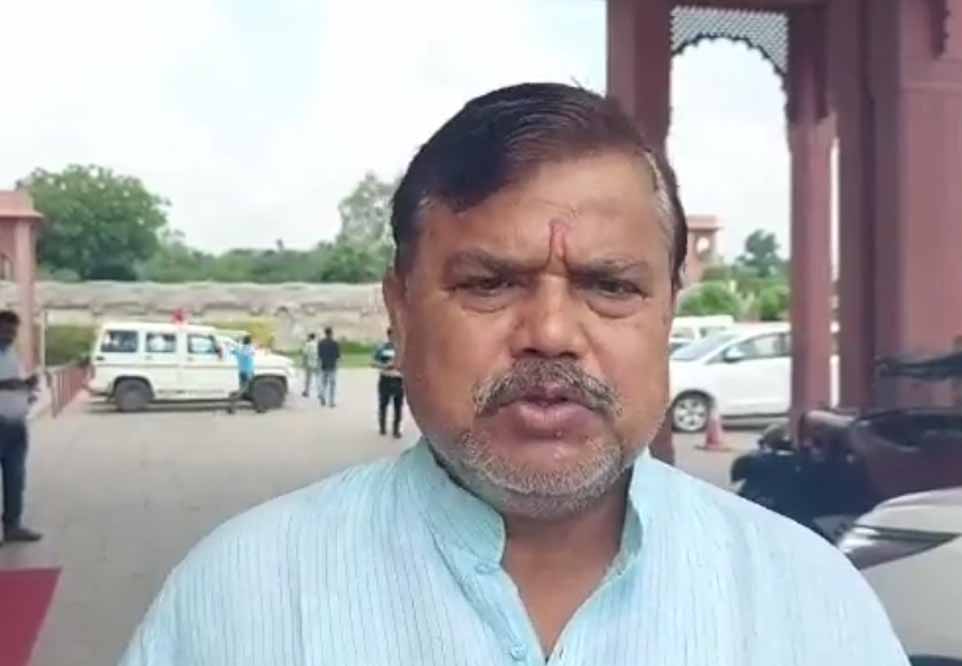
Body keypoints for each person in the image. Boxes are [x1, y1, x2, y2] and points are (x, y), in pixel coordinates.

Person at [120, 83, 906, 665]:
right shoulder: (241, 599)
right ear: (399, 310)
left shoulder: (807, 602)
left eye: (609, 286)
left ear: (668, 311)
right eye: (489, 283)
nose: (551, 335)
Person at [0, 310, 42, 545]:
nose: (9, 336)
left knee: (15, 479)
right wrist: (7, 385)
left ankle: (12, 526)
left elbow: (16, 382)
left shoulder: (12, 354)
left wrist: (27, 388)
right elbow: (7, 383)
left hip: (17, 425)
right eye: (4, 331)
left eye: (12, 332)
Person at [372, 328, 404, 437]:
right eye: (392, 336)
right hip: (385, 379)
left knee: (398, 406)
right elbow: (373, 362)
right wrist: (384, 365)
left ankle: (396, 430)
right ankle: (382, 427)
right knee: (383, 404)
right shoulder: (382, 348)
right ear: (389, 336)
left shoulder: (402, 349)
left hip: (398, 380)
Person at [226, 336, 256, 414]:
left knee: (247, 389)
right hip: (248, 372)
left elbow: (232, 351)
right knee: (245, 390)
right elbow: (252, 352)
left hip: (241, 372)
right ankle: (233, 400)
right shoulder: (249, 349)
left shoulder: (239, 350)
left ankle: (258, 407)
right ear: (250, 342)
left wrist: (232, 345)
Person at [316, 327, 340, 407]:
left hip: (323, 365)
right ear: (331, 333)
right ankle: (331, 402)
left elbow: (319, 355)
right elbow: (337, 356)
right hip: (332, 365)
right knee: (332, 384)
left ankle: (322, 395)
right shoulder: (335, 343)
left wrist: (319, 365)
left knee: (323, 383)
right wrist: (337, 364)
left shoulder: (320, 343)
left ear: (325, 333)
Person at [300, 333, 319, 398]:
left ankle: (306, 392)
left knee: (308, 378)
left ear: (310, 337)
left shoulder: (308, 344)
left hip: (309, 363)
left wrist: (302, 363)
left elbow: (305, 354)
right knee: (318, 378)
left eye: (308, 337)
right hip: (316, 363)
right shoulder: (317, 344)